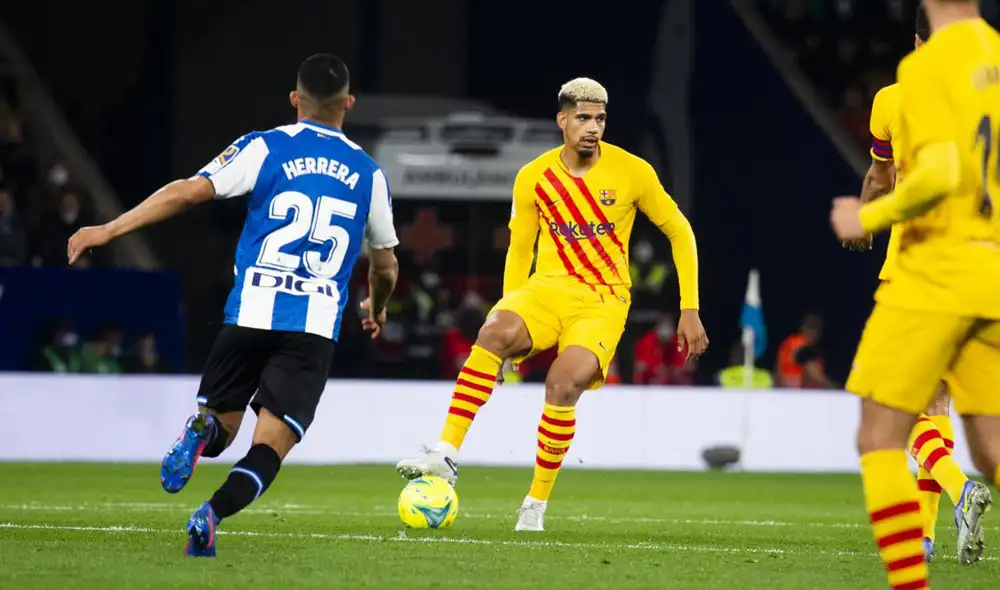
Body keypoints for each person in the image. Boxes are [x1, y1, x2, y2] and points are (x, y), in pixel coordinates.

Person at [66, 54, 399, 557]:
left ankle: (201, 429)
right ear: (349, 104)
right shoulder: (369, 173)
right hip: (311, 329)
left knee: (220, 428)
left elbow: (187, 193)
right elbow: (386, 265)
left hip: (249, 313)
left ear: (294, 100)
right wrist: (376, 304)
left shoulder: (263, 146)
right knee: (269, 447)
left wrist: (108, 229)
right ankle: (211, 515)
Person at [397, 77, 708, 531]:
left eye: (600, 118)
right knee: (492, 333)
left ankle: (535, 503)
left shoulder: (632, 171)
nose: (593, 127)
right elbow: (520, 251)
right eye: (583, 117)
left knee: (562, 385)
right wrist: (506, 310)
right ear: (562, 120)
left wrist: (689, 308)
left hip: (602, 300)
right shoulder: (533, 176)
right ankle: (445, 453)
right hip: (545, 290)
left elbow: (680, 231)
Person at [830, 1, 1000, 586]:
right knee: (985, 438)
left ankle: (954, 493)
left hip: (927, 267)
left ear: (918, 29)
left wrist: (868, 215)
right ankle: (927, 533)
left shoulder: (912, 81)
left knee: (882, 432)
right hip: (994, 270)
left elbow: (919, 175)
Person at [775, 313, 834, 389]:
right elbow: (814, 375)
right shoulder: (802, 346)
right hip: (798, 394)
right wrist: (834, 389)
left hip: (783, 391)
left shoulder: (787, 343)